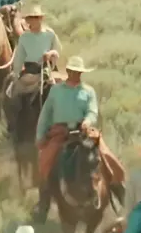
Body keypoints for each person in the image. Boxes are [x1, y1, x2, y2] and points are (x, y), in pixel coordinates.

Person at [34, 56, 125, 222]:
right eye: (73, 71)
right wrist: (40, 135)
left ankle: (119, 194)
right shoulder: (56, 91)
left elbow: (92, 111)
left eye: (79, 72)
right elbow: (46, 114)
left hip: (84, 131)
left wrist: (87, 121)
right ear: (68, 71)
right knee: (45, 160)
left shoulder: (88, 91)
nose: (76, 74)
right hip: (61, 133)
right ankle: (43, 202)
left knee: (106, 157)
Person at [4, 5, 61, 104]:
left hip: (45, 70)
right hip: (29, 71)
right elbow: (19, 57)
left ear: (41, 19)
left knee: (55, 90)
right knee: (16, 94)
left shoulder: (50, 34)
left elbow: (57, 51)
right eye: (31, 18)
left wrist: (50, 54)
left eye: (36, 18)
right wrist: (16, 73)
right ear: (28, 20)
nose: (34, 20)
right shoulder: (24, 37)